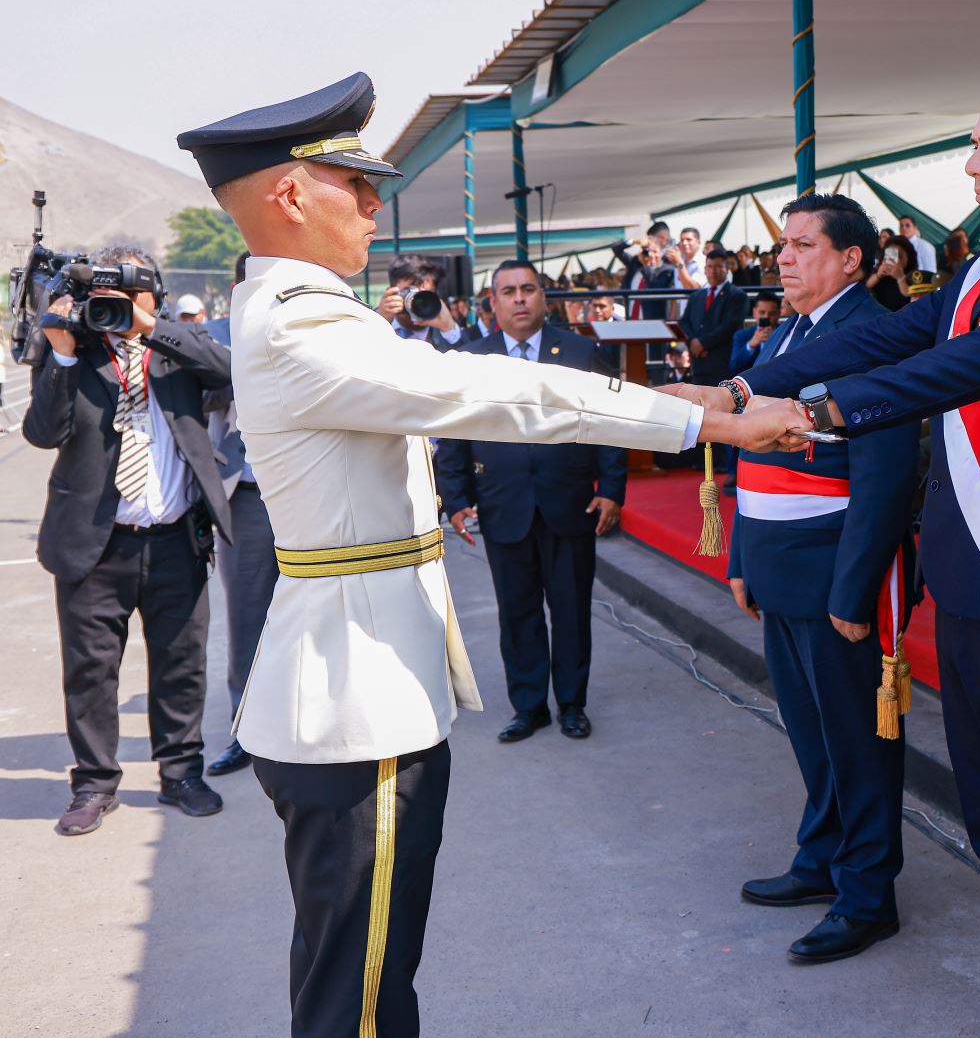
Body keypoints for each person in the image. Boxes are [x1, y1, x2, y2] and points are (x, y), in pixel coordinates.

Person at [175, 72, 803, 1038]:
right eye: (357, 185)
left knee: (368, 974)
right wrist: (696, 417)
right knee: (360, 996)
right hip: (354, 710)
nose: (379, 206)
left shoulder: (293, 307)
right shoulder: (302, 319)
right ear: (292, 194)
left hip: (362, 695)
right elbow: (490, 393)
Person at [691, 71, 980, 1035]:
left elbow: (965, 364)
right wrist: (738, 387)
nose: (972, 166)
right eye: (973, 146)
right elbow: (884, 337)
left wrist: (814, 415)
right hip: (977, 593)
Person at [727, 193, 919, 963]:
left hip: (835, 568)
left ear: (850, 259)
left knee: (859, 742)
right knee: (812, 735)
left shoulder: (870, 334)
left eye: (803, 245)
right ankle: (821, 859)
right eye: (783, 245)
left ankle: (869, 894)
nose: (784, 257)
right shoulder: (798, 332)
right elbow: (754, 450)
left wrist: (854, 591)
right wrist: (742, 557)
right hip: (779, 567)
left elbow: (886, 475)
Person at [24, 244, 235, 835]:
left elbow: (226, 372)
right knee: (90, 670)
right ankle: (94, 784)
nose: (115, 307)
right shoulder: (74, 351)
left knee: (182, 664)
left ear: (155, 298)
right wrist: (62, 359)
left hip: (176, 539)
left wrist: (151, 327)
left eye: (130, 295)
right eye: (105, 297)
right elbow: (42, 433)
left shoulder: (175, 354)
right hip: (95, 544)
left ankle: (181, 773)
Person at [435, 259, 627, 744]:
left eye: (528, 289)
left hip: (570, 503)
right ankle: (528, 707)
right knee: (516, 612)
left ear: (544, 296)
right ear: (493, 303)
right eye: (508, 292)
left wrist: (611, 489)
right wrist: (455, 498)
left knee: (570, 610)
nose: (519, 299)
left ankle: (571, 704)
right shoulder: (472, 361)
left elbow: (610, 424)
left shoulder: (581, 352)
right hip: (503, 506)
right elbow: (453, 437)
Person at [201, 251, 279, 778]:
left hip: (310, 492)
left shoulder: (310, 325)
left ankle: (313, 727)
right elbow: (205, 395)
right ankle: (246, 731)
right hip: (246, 495)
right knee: (248, 618)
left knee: (322, 614)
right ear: (236, 287)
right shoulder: (212, 336)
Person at [681, 249, 750, 388]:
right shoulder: (696, 296)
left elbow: (730, 326)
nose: (713, 271)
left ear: (727, 268)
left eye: (718, 267)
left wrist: (703, 343)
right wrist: (693, 342)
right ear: (705, 269)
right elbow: (684, 322)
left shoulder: (737, 295)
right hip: (697, 363)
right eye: (710, 266)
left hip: (721, 364)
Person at [379, 254, 467, 349]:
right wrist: (380, 322)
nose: (418, 300)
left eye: (425, 294)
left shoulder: (444, 332)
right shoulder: (373, 324)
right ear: (390, 292)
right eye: (409, 291)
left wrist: (449, 328)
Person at [732, 292, 783, 374]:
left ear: (779, 313)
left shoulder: (786, 333)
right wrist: (751, 345)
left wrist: (774, 340)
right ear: (754, 312)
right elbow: (734, 366)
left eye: (772, 313)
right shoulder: (741, 335)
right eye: (762, 312)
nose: (766, 316)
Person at [867, 233, 918, 311]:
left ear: (909, 258)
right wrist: (878, 275)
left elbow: (909, 295)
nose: (895, 260)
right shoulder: (880, 270)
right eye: (890, 256)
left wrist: (900, 278)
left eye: (900, 256)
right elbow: (867, 285)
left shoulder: (913, 276)